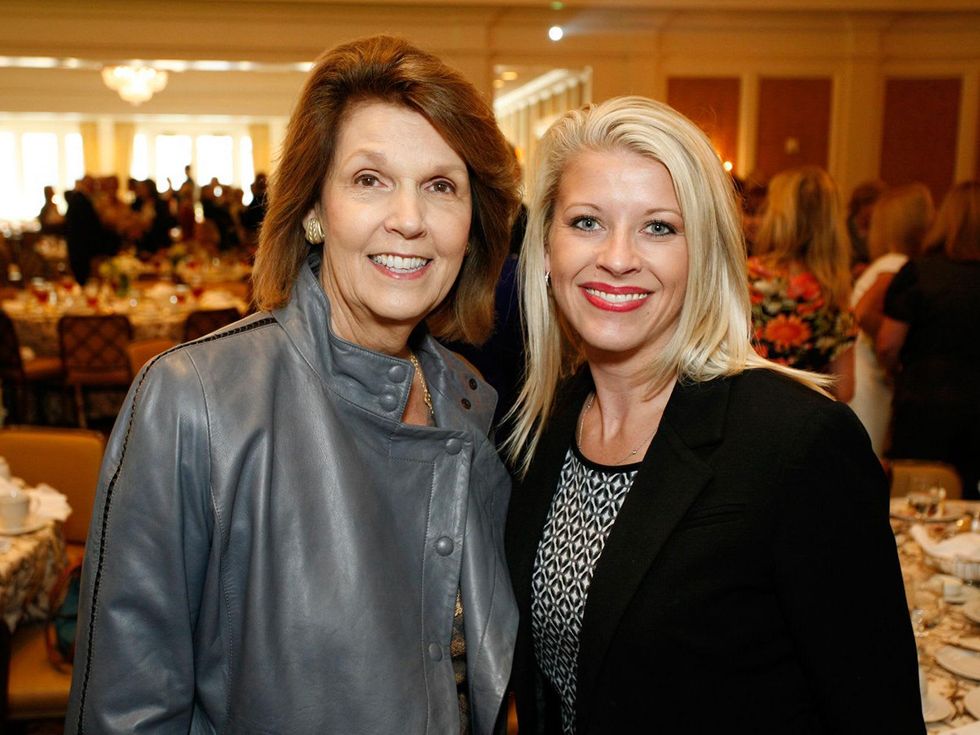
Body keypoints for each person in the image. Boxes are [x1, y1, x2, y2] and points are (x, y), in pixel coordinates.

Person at [67, 35, 520, 734]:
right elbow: (127, 713)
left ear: (472, 223)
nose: (409, 218)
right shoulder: (195, 402)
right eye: (370, 179)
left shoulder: (469, 402)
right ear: (313, 210)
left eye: (441, 185)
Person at [503, 97, 922, 734]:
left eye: (659, 228)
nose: (617, 257)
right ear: (546, 247)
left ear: (706, 254)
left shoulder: (797, 445)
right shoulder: (539, 427)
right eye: (586, 222)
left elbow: (876, 713)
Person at [878, 181, 980, 499]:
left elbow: (887, 343)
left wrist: (893, 370)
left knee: (916, 498)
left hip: (925, 403)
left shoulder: (921, 272)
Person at [748, 165, 857, 401]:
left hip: (742, 413)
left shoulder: (744, 277)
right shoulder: (833, 290)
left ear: (778, 217)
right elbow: (845, 390)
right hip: (804, 424)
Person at [848, 183, 933, 457]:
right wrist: (891, 359)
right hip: (869, 378)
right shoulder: (896, 265)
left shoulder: (887, 262)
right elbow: (862, 312)